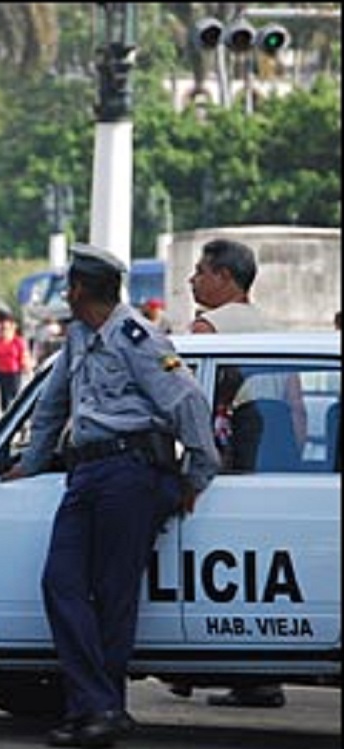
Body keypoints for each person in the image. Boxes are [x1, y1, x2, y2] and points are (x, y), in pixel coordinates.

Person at [1, 243, 219, 749]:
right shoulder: (79, 337)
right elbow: (53, 407)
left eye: (69, 286)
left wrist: (196, 474)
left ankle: (100, 709)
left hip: (130, 472)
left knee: (113, 594)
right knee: (62, 583)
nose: (66, 294)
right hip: (87, 473)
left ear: (79, 290)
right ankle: (96, 704)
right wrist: (31, 463)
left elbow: (186, 399)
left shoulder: (135, 336)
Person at [174, 237, 293, 709]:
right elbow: (296, 409)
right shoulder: (275, 330)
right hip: (274, 458)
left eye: (200, 271)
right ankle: (258, 678)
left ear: (224, 277)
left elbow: (189, 405)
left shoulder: (207, 330)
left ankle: (188, 664)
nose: (192, 280)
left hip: (229, 455)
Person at [0, 317, 31, 411]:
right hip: (1, 372)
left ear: (12, 329)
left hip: (14, 372)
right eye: (2, 328)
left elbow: (24, 356)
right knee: (4, 396)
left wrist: (29, 371)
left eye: (6, 328)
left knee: (15, 395)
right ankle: (4, 417)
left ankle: (15, 417)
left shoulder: (18, 341)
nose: (4, 330)